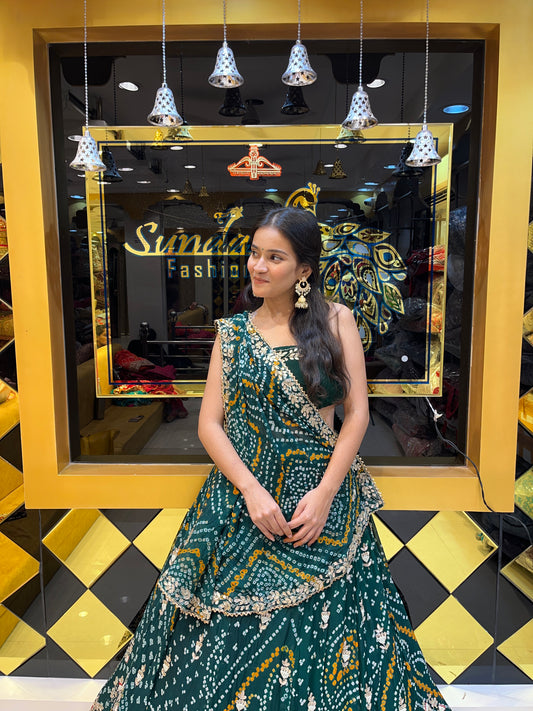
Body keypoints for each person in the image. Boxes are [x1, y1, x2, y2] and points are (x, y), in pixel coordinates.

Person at [90, 207, 450, 711]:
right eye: (254, 253)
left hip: (320, 501)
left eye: (274, 257)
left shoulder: (335, 321)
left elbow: (358, 416)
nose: (257, 266)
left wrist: (325, 495)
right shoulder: (233, 332)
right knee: (217, 633)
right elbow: (208, 424)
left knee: (335, 634)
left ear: (304, 270)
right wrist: (251, 490)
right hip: (244, 500)